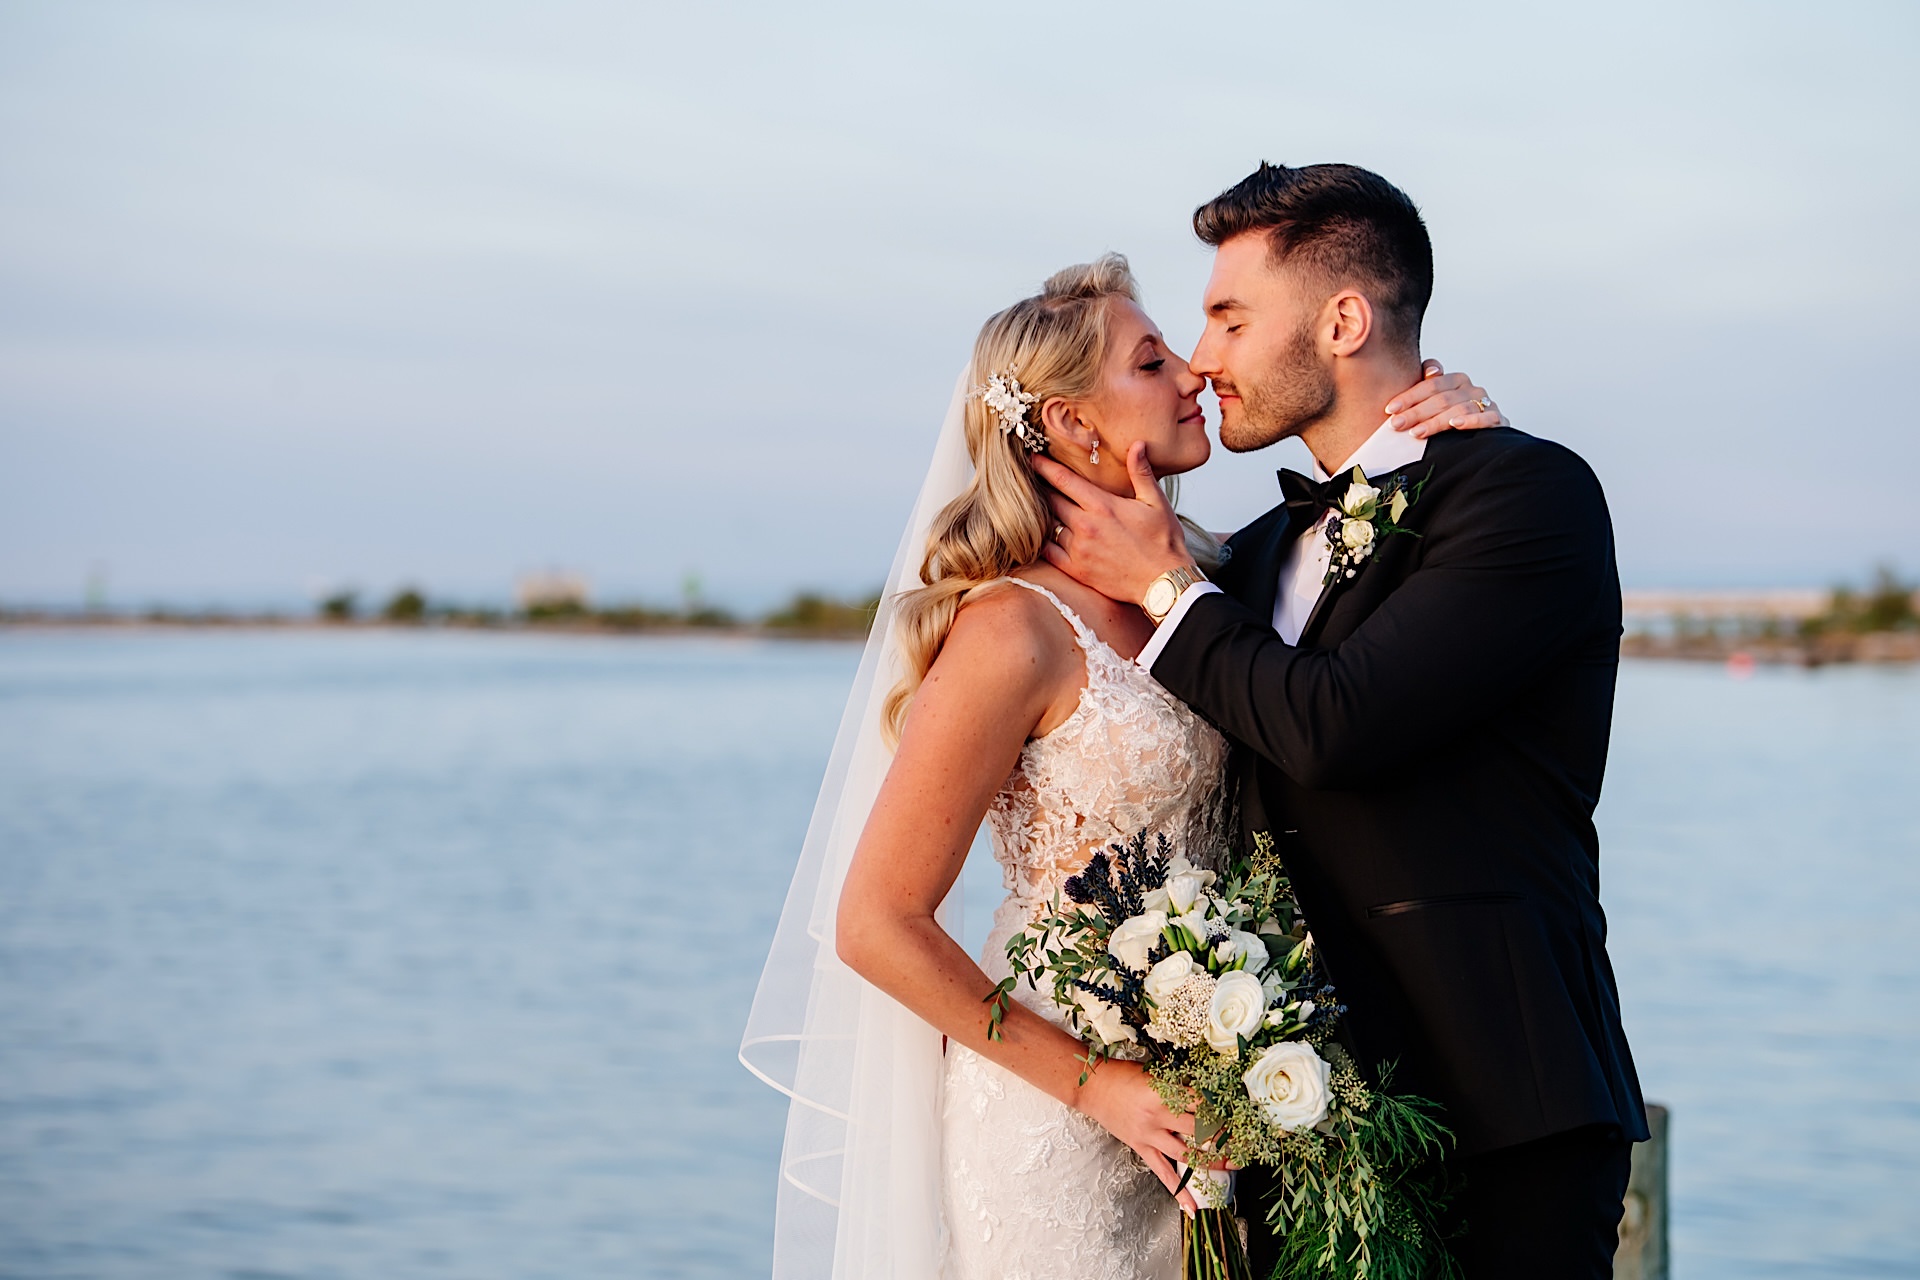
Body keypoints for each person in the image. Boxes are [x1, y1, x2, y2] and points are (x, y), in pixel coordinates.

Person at [741, 248, 1503, 1278]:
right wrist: (1098, 1084)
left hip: (1214, 1114)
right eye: (1151, 362)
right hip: (1053, 1117)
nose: (1193, 370)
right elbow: (877, 921)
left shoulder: (1214, 576)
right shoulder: (1014, 630)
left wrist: (1447, 426)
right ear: (1070, 422)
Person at [1037, 162, 1648, 1279]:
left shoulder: (1526, 498)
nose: (1205, 354)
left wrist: (1169, 590)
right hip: (1289, 1127)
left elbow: (1338, 724)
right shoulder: (1252, 557)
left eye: (1228, 315)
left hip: (1501, 1118)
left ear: (1344, 319)